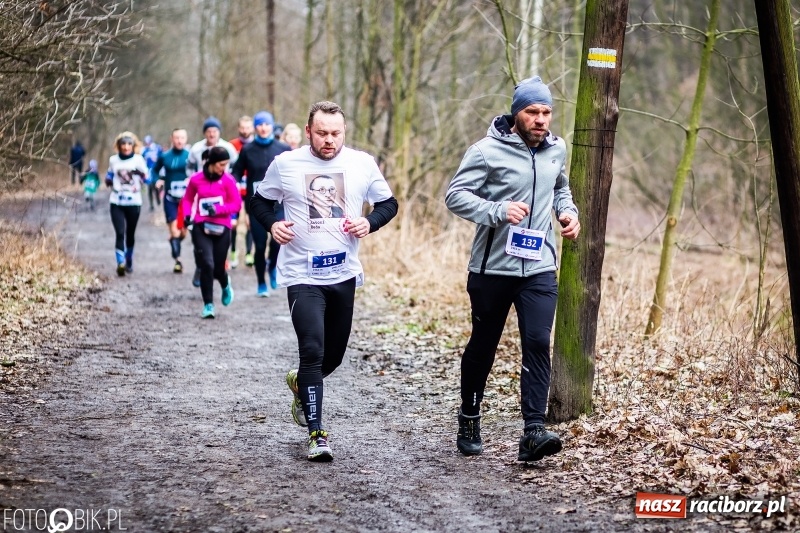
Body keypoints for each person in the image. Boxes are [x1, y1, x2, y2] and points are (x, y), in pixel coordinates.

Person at [250, 101, 398, 462]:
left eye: (336, 134)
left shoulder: (361, 163)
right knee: (313, 351)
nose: (329, 140)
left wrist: (370, 222)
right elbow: (258, 202)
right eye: (322, 133)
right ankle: (317, 435)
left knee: (333, 357)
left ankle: (300, 383)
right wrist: (272, 224)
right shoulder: (286, 165)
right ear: (307, 131)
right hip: (302, 274)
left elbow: (388, 204)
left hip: (343, 272)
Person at [444, 76, 581, 462]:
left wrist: (568, 213)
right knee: (483, 346)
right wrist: (497, 211)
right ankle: (470, 415)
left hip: (539, 268)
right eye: (532, 112)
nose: (540, 119)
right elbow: (454, 196)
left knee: (537, 341)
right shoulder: (486, 151)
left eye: (546, 112)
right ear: (516, 113)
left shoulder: (558, 149)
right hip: (492, 269)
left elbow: (560, 188)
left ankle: (533, 431)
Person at [232, 110, 291, 297]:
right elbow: (236, 173)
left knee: (277, 241)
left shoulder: (283, 149)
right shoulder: (247, 150)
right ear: (255, 127)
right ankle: (261, 283)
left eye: (267, 124)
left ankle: (272, 266)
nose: (263, 128)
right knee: (259, 245)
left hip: (279, 205)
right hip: (256, 205)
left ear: (272, 126)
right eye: (260, 124)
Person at [181, 146, 242, 319]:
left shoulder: (228, 181)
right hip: (201, 225)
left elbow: (236, 205)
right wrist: (187, 215)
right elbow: (187, 199)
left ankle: (224, 283)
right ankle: (208, 304)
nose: (224, 168)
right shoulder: (196, 179)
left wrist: (219, 209)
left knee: (217, 268)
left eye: (226, 164)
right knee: (206, 264)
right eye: (221, 164)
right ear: (211, 163)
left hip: (222, 227)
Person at [187, 116, 239, 286]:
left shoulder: (228, 148)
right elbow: (189, 166)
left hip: (221, 193)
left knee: (216, 261)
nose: (211, 134)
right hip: (200, 193)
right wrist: (194, 180)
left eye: (214, 131)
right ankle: (201, 265)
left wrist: (228, 182)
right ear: (205, 133)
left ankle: (217, 269)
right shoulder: (196, 149)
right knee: (200, 241)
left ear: (219, 132)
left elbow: (236, 167)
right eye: (208, 131)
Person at [106, 132, 150, 276]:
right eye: (123, 144)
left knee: (129, 233)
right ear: (118, 146)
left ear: (133, 146)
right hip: (117, 201)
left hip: (134, 201)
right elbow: (110, 175)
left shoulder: (139, 160)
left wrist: (141, 177)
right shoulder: (113, 160)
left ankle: (129, 258)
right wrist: (108, 179)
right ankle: (120, 263)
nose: (126, 147)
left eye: (129, 144)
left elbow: (147, 179)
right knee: (119, 232)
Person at [153, 129, 191, 273]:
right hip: (170, 198)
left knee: (183, 232)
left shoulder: (190, 156)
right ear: (172, 139)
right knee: (175, 231)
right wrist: (158, 180)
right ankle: (178, 260)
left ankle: (175, 242)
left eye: (182, 138)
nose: (179, 140)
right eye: (177, 138)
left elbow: (199, 171)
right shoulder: (164, 156)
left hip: (186, 200)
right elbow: (155, 171)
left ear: (186, 139)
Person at [228, 116, 254, 269]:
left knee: (250, 223)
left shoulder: (256, 145)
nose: (245, 130)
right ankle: (233, 252)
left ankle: (249, 253)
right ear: (238, 128)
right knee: (233, 224)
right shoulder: (231, 146)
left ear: (252, 128)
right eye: (242, 127)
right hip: (235, 188)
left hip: (250, 188)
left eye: (248, 127)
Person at [142, 135, 163, 211]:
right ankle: (151, 205)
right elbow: (142, 159)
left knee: (156, 187)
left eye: (148, 142)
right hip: (148, 172)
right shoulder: (144, 150)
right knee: (150, 188)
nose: (147, 144)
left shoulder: (157, 148)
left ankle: (158, 201)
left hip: (157, 171)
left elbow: (162, 158)